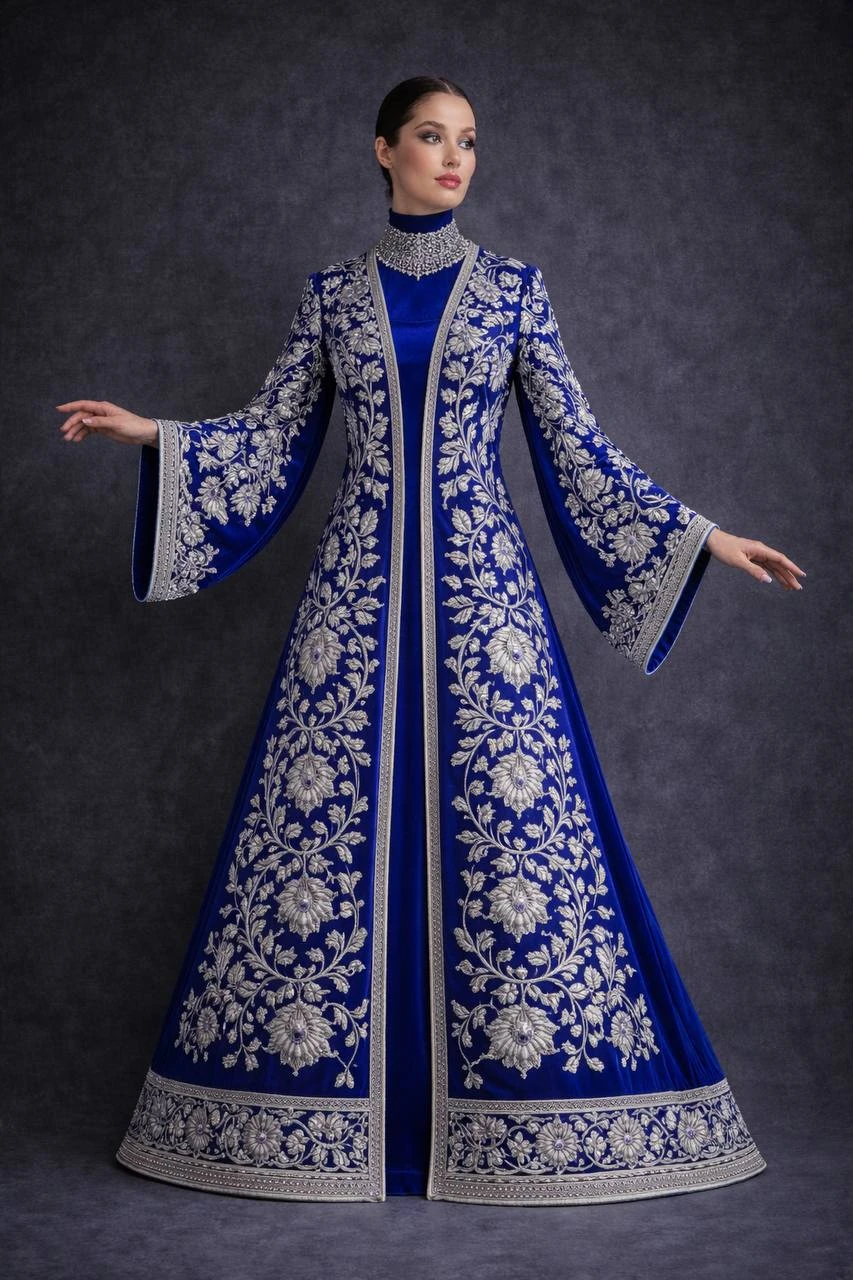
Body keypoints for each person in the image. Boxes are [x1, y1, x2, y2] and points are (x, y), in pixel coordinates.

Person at [57, 76, 803, 1205]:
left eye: (467, 142)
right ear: (383, 150)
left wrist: (702, 537)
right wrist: (155, 435)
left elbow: (579, 449)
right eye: (430, 137)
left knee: (510, 833)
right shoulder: (333, 298)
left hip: (485, 601)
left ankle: (519, 1121)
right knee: (323, 833)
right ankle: (310, 1116)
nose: (454, 158)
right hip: (353, 598)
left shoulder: (513, 291)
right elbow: (269, 438)